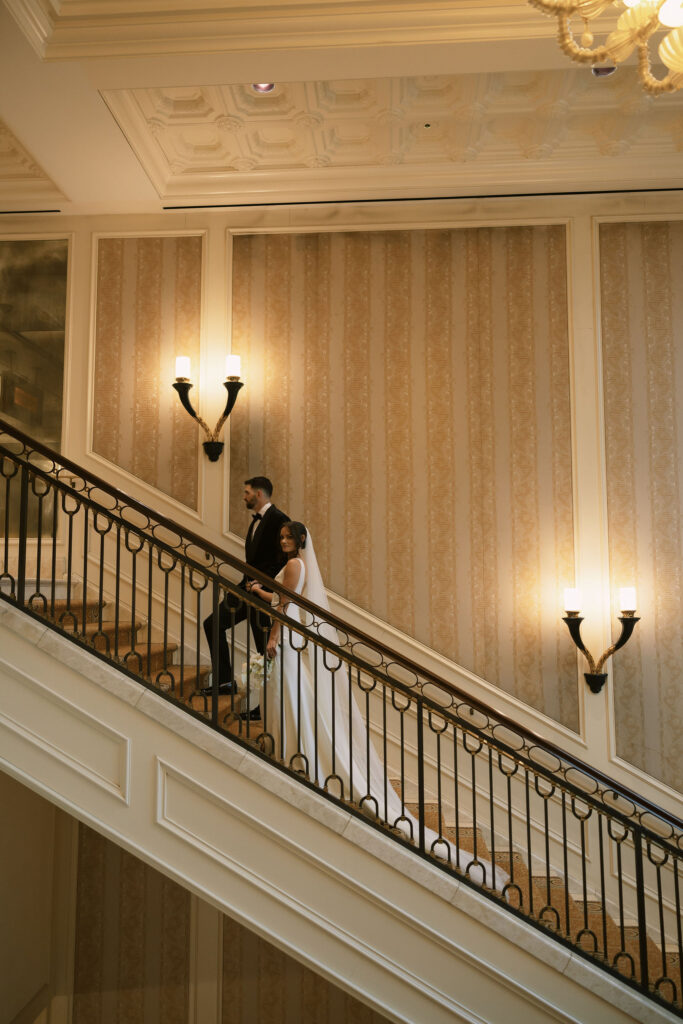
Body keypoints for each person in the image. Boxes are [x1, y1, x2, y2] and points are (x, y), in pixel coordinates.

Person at [249, 520, 507, 892]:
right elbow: (282, 599)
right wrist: (261, 592)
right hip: (290, 629)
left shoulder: (293, 565)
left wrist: (273, 634)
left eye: (289, 537)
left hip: (285, 633)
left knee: (292, 691)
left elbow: (285, 604)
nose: (284, 541)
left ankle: (298, 751)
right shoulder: (300, 566)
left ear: (300, 540)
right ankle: (297, 749)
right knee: (294, 692)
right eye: (282, 538)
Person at [200, 477, 288, 699]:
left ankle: (269, 705)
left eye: (247, 492)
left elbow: (283, 559)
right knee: (212, 624)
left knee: (265, 649)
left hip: (262, 594)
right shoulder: (255, 521)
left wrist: (262, 585)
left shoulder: (279, 520)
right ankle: (225, 681)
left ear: (259, 494)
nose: (244, 496)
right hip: (246, 590)